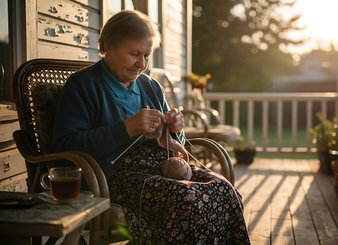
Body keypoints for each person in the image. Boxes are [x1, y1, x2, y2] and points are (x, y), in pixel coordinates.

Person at [51, 10, 250, 244]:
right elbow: (65, 149)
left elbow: (179, 142)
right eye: (134, 54)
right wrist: (125, 128)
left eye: (147, 55)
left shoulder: (150, 86)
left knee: (224, 191)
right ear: (107, 46)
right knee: (187, 199)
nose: (142, 64)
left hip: (165, 168)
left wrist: (176, 128)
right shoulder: (83, 85)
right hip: (114, 177)